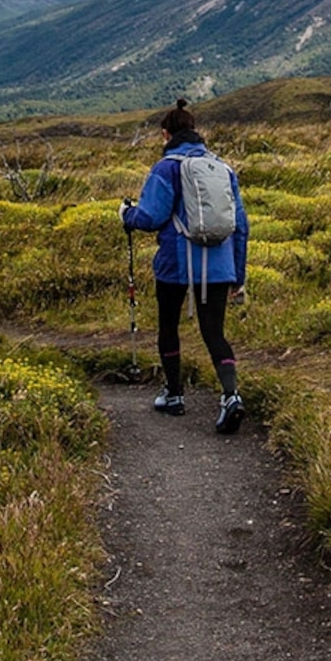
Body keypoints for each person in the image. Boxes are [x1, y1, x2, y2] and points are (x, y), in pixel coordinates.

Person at [121, 99, 250, 433]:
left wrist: (127, 215)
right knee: (214, 332)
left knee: (168, 325)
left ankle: (174, 394)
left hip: (175, 263)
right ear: (195, 132)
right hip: (219, 265)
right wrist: (238, 273)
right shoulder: (223, 168)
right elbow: (241, 224)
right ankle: (231, 396)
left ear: (166, 134)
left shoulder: (165, 169)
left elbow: (151, 217)